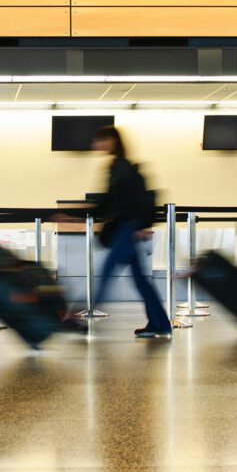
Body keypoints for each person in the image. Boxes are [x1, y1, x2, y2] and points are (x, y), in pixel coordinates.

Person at [89, 125, 172, 338]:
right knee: (140, 281)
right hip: (130, 227)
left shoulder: (120, 166)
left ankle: (84, 318)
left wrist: (140, 225)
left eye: (100, 140)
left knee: (107, 272)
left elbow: (113, 201)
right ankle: (159, 323)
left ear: (111, 141)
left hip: (127, 229)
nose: (96, 144)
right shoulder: (121, 166)